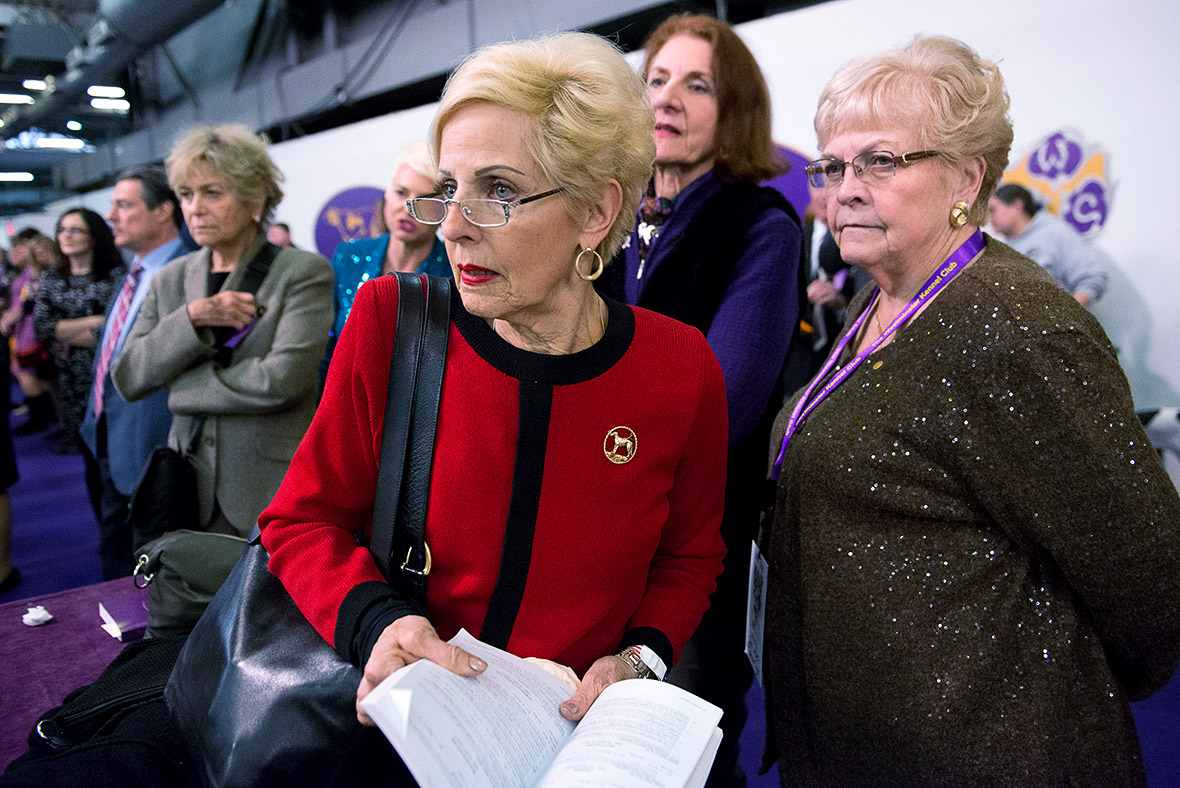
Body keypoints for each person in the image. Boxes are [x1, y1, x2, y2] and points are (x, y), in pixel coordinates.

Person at [259, 30, 727, 762]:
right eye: (449, 189)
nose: (450, 227)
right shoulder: (393, 322)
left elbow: (691, 557)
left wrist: (639, 659)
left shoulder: (680, 367)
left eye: (498, 192)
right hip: (405, 740)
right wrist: (377, 622)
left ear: (598, 211)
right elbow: (301, 520)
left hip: (578, 752)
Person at [764, 35, 1180, 787]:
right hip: (873, 740)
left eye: (880, 161)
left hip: (990, 748)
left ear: (966, 174)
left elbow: (1146, 578)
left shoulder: (1017, 326)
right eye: (833, 165)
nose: (844, 189)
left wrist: (1034, 683)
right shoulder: (881, 298)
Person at [594, 14, 801, 786]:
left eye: (696, 83)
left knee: (678, 751)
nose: (668, 98)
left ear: (733, 107)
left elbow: (721, 401)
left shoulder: (763, 225)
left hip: (694, 553)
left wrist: (589, 422)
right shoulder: (608, 218)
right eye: (656, 80)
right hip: (591, 541)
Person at [112, 125, 334, 542]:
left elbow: (283, 379)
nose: (195, 208)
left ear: (255, 198)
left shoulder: (301, 272)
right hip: (185, 487)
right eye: (186, 194)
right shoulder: (171, 280)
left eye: (212, 193)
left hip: (269, 487)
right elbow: (127, 375)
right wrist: (191, 319)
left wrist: (182, 392)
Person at [79, 165, 196, 579]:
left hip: (152, 451)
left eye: (124, 205)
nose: (111, 216)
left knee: (146, 576)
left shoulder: (190, 271)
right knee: (114, 560)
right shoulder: (135, 273)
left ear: (163, 210)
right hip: (106, 438)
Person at [319, 141, 451, 383]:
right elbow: (329, 354)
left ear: (442, 210)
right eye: (401, 193)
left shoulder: (452, 275)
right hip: (347, 404)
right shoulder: (348, 256)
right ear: (387, 194)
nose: (408, 208)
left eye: (423, 200)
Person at [33, 209, 125, 454]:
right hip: (69, 378)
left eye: (75, 230)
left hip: (109, 375)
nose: (66, 236)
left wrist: (65, 335)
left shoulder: (115, 276)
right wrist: (96, 319)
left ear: (94, 236)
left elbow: (118, 330)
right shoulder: (52, 278)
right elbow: (42, 327)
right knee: (87, 459)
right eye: (62, 229)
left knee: (112, 450)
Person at [988, 182, 1108, 307]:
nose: (989, 217)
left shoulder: (1054, 232)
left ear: (1017, 205)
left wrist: (1064, 319)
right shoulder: (1002, 250)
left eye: (993, 210)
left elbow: (1092, 278)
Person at [3, 229, 55, 435]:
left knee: (29, 371)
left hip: (30, 327)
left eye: (19, 246)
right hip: (21, 328)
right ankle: (41, 415)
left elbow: (24, 303)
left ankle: (40, 417)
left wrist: (9, 318)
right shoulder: (22, 273)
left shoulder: (36, 274)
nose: (14, 251)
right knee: (27, 372)